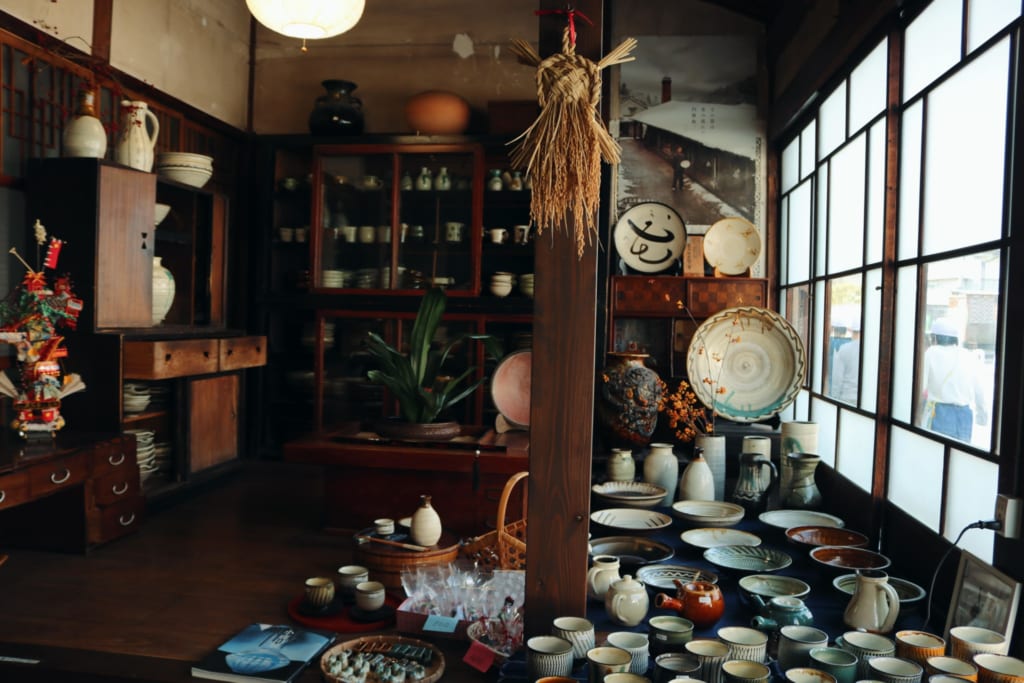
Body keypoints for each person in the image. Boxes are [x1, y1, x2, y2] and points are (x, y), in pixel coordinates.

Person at [920, 317, 988, 441]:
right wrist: (982, 415)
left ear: (935, 338)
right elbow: (979, 389)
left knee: (937, 453)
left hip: (940, 414)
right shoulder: (968, 355)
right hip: (965, 416)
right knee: (958, 454)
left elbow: (920, 386)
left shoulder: (931, 353)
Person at [831, 319, 860, 403]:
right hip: (864, 400)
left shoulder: (844, 349)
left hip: (846, 397)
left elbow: (837, 377)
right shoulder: (871, 350)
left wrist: (834, 398)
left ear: (851, 331)